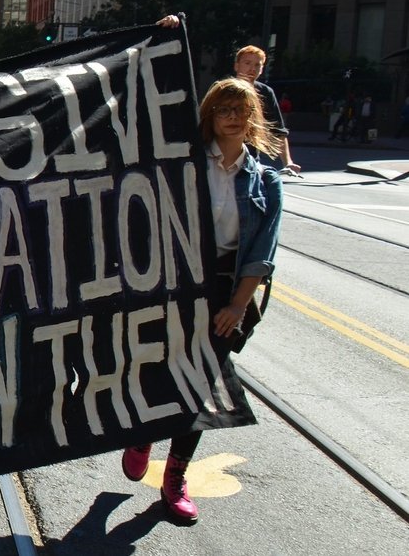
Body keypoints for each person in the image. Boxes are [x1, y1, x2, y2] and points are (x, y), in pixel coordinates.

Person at [119, 77, 284, 524]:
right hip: (174, 285)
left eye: (242, 109)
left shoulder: (265, 179)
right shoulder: (184, 163)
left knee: (199, 387)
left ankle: (175, 478)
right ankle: (142, 435)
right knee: (156, 367)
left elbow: (261, 253)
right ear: (210, 115)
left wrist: (236, 305)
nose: (234, 117)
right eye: (224, 109)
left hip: (226, 290)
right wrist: (161, 34)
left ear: (253, 118)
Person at [156, 16, 299, 173]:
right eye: (247, 63)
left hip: (247, 160)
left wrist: (288, 162)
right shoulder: (222, 90)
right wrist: (169, 31)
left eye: (257, 65)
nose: (252, 69)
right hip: (217, 159)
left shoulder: (265, 93)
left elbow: (278, 131)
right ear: (236, 65)